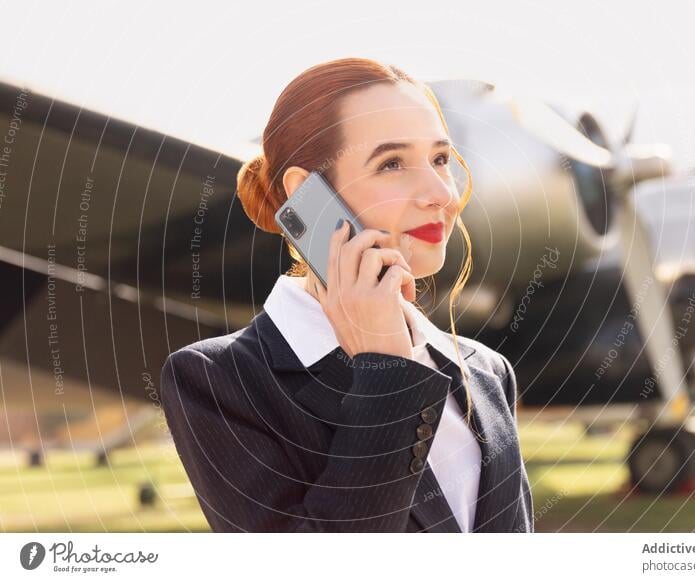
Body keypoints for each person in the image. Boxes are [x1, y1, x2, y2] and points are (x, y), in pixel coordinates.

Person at [159, 57, 533, 532]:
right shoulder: (217, 380)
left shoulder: (486, 369)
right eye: (392, 163)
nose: (441, 193)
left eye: (440, 159)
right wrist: (386, 371)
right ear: (308, 197)